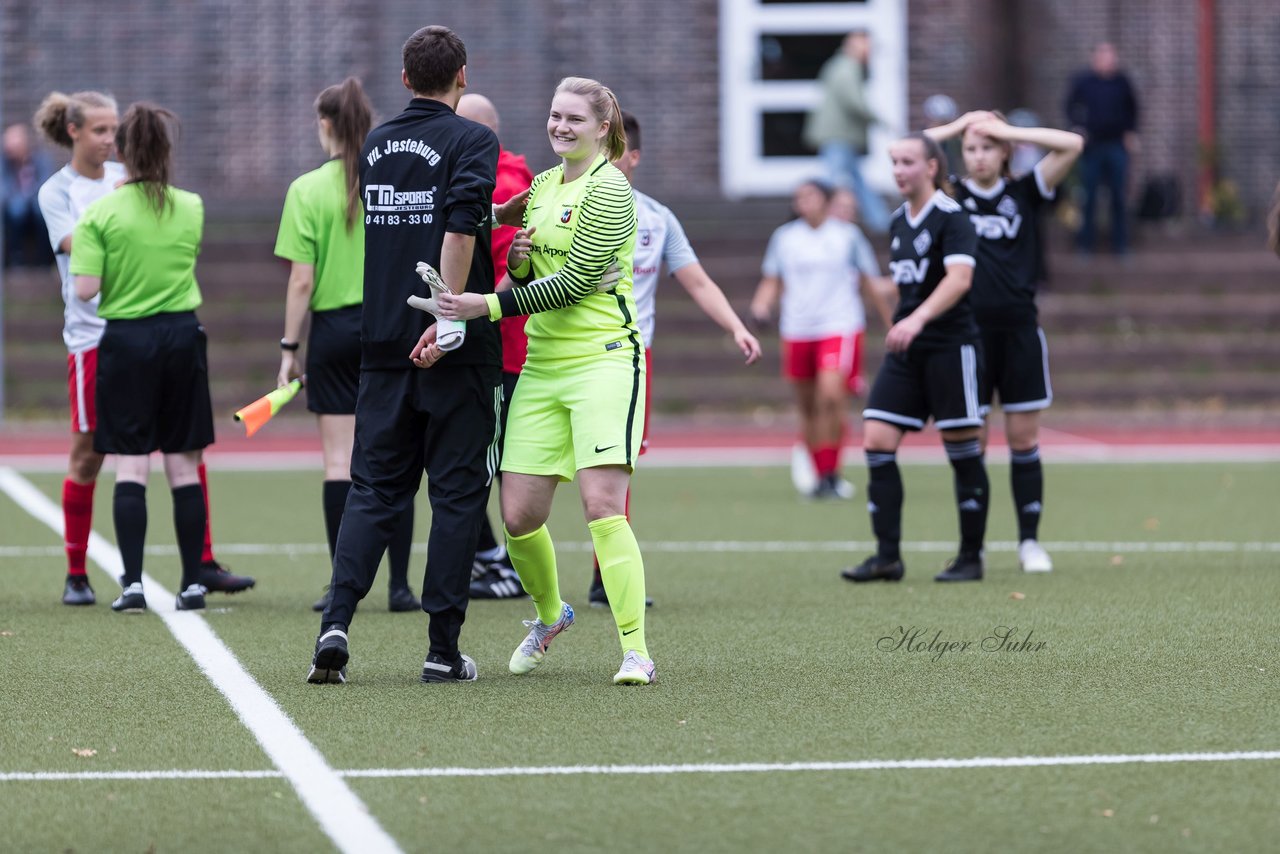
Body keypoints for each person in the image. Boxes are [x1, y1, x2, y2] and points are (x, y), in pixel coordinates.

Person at [306, 25, 516, 686]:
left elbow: (423, 218)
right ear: (463, 76)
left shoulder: (377, 141)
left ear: (404, 79)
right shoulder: (474, 137)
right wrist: (450, 315)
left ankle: (335, 624)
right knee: (457, 496)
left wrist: (499, 216)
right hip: (453, 347)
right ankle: (441, 650)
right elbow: (454, 227)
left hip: (384, 340)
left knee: (373, 491)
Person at [434, 76, 655, 685]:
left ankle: (636, 650)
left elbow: (576, 283)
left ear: (603, 129)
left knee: (602, 507)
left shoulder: (611, 189)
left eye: (574, 119)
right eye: (555, 116)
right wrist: (517, 259)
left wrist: (488, 303)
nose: (560, 127)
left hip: (604, 360)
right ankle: (550, 615)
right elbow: (527, 262)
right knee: (519, 516)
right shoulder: (541, 186)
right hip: (541, 366)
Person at [35, 91, 251, 607]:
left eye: (115, 131)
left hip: (129, 334)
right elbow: (83, 256)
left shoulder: (122, 187)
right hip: (93, 337)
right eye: (100, 130)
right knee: (90, 453)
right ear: (74, 132)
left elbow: (110, 252)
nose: (108, 140)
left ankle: (198, 562)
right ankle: (76, 571)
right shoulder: (58, 192)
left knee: (182, 449)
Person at [583, 110, 763, 606]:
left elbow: (698, 281)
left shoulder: (658, 219)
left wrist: (736, 326)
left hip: (630, 360)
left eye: (612, 150)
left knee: (616, 468)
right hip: (567, 354)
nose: (600, 160)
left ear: (632, 157)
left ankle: (607, 579)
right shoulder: (566, 206)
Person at [274, 78, 419, 614]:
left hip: (333, 333)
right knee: (396, 461)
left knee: (340, 461)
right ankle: (400, 586)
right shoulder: (390, 179)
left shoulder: (307, 189)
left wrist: (290, 346)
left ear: (326, 125)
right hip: (391, 325)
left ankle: (343, 587)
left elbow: (301, 282)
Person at [69, 103, 217, 612]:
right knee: (183, 463)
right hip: (180, 335)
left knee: (131, 464)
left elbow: (85, 290)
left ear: (122, 151)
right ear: (166, 150)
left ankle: (132, 584)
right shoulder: (191, 205)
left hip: (127, 341)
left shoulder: (101, 213)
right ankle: (193, 582)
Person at [926, 111, 1083, 573]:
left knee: (1022, 438)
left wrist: (1005, 129)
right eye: (971, 149)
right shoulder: (949, 195)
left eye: (987, 147)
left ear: (1003, 152)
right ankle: (972, 547)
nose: (978, 157)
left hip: (1018, 331)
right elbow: (905, 150)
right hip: (966, 335)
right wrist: (958, 129)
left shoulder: (1024, 192)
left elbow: (1072, 144)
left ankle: (1029, 543)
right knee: (971, 441)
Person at [841, 133, 990, 584]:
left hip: (951, 345)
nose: (899, 170)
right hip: (908, 349)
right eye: (894, 162)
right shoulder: (898, 221)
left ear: (931, 168)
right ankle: (888, 556)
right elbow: (909, 283)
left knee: (963, 450)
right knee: (876, 440)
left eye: (908, 161)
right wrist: (881, 295)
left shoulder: (953, 217)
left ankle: (970, 557)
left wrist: (917, 318)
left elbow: (959, 279)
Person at [750, 180, 891, 500]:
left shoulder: (846, 236)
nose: (804, 201)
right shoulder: (785, 238)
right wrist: (761, 306)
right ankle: (820, 475)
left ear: (826, 201)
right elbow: (771, 280)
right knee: (808, 406)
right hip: (797, 328)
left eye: (810, 195)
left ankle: (831, 472)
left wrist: (888, 323)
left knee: (830, 396)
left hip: (838, 325)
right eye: (799, 196)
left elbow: (869, 283)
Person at [454, 92, 532, 602]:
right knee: (487, 454)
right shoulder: (514, 180)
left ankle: (499, 562)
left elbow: (508, 272)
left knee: (485, 456)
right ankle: (495, 558)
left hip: (500, 345)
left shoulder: (496, 184)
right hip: (503, 343)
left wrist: (471, 311)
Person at [803, 31, 891, 233]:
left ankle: (880, 221)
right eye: (865, 45)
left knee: (856, 180)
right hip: (838, 135)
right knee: (832, 182)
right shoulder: (847, 67)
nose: (869, 50)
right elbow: (854, 101)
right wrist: (877, 120)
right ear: (853, 45)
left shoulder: (842, 65)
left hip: (842, 135)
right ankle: (822, 220)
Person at [1064, 42, 1139, 255]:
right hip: (1092, 148)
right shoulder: (1084, 82)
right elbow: (1070, 106)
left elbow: (1133, 109)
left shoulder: (1122, 82)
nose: (1109, 61)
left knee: (1118, 196)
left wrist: (1130, 132)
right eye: (1104, 56)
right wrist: (1077, 128)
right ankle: (1085, 245)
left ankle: (1121, 245)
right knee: (1089, 196)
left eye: (1112, 56)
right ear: (1096, 59)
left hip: (1116, 146)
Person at [3, 123, 55, 268]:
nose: (9, 149)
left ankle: (44, 259)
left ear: (24, 143)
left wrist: (28, 199)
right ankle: (16, 259)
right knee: (16, 209)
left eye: (13, 144)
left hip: (36, 200)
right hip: (13, 204)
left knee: (40, 211)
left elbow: (46, 183)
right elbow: (4, 187)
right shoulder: (5, 162)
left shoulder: (41, 159)